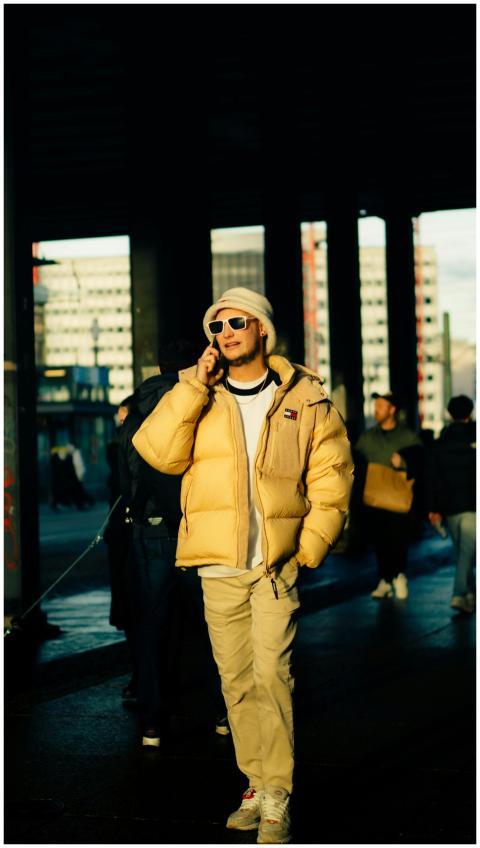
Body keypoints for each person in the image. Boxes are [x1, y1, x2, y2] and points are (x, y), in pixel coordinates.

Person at [132, 287, 353, 843]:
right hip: (217, 564)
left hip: (275, 565)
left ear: (261, 329)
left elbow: (332, 474)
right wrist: (193, 384)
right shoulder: (200, 395)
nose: (225, 333)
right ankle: (254, 782)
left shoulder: (305, 397)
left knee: (271, 676)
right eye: (217, 326)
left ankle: (277, 791)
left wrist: (309, 545)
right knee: (235, 683)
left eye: (236, 323)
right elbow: (157, 451)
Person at [121, 341, 228, 747]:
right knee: (213, 626)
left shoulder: (136, 408)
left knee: (152, 628)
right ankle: (222, 712)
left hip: (149, 532)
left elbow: (127, 470)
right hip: (194, 527)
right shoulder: (204, 401)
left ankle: (152, 722)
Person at [355, 392, 423, 600]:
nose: (376, 411)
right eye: (375, 406)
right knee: (379, 540)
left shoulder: (407, 437)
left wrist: (403, 463)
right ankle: (385, 579)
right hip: (374, 499)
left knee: (398, 539)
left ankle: (399, 575)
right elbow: (354, 459)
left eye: (380, 407)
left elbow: (422, 461)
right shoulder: (368, 437)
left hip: (398, 499)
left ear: (392, 410)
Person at [426, 395, 476, 614]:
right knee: (467, 553)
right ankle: (459, 593)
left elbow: (434, 477)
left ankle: (470, 595)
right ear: (470, 412)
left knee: (462, 552)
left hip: (450, 506)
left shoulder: (441, 440)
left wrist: (434, 508)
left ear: (449, 413)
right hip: (472, 504)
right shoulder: (474, 437)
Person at [104, 395, 137, 701]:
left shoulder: (121, 447)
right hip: (123, 532)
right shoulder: (119, 448)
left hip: (127, 532)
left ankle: (141, 675)